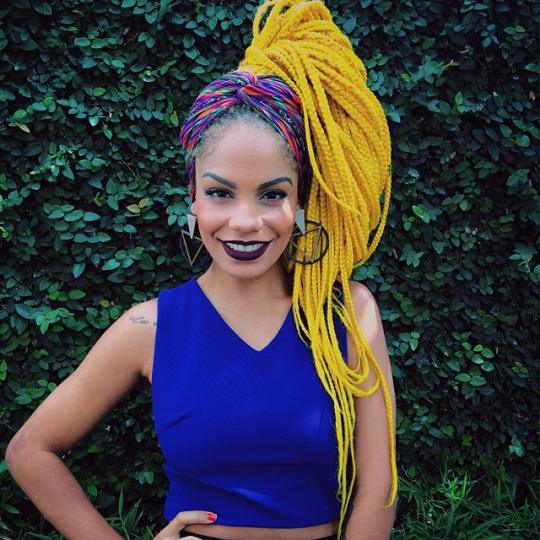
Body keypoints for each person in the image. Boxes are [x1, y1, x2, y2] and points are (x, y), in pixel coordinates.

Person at [5, 1, 397, 539]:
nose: (245, 221)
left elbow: (379, 486)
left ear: (301, 202)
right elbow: (30, 450)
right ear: (193, 197)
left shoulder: (349, 312)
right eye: (220, 193)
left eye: (272, 194)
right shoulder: (149, 327)